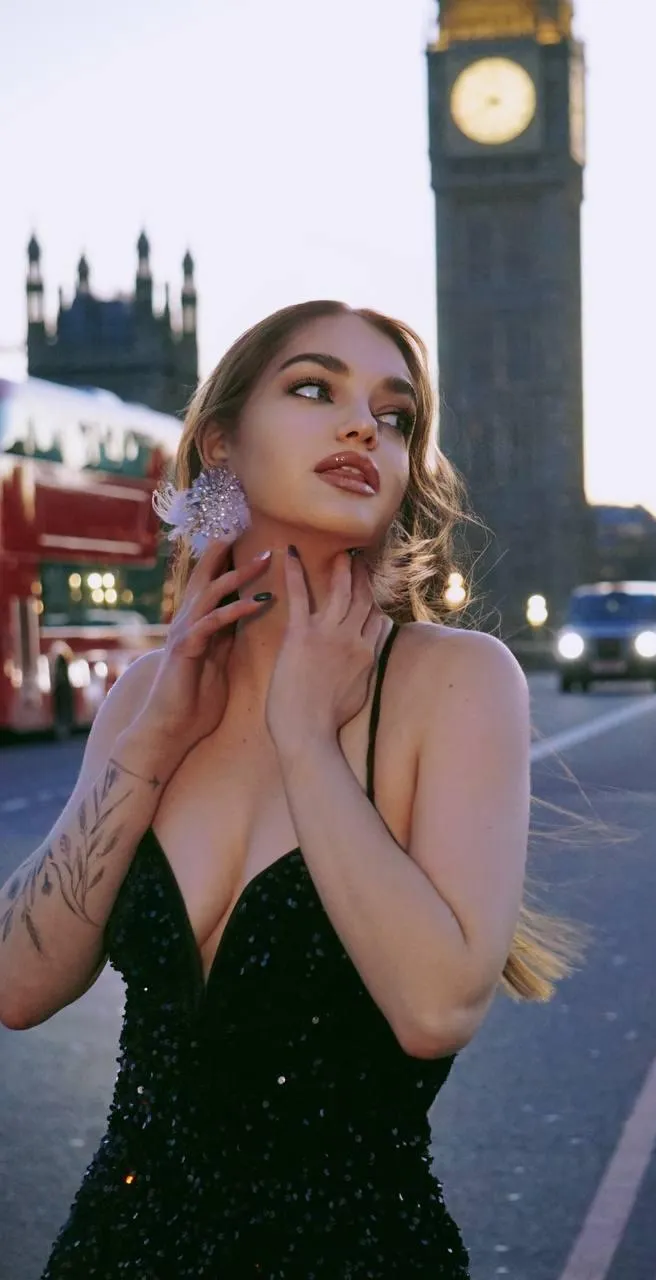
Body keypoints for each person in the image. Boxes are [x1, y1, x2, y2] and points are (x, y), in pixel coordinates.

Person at [0, 301, 570, 1278]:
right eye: (315, 389)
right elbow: (16, 986)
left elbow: (435, 1010)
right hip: (115, 1249)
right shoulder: (147, 690)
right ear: (221, 440)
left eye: (394, 417)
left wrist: (306, 738)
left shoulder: (456, 681)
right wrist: (144, 753)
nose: (362, 425)